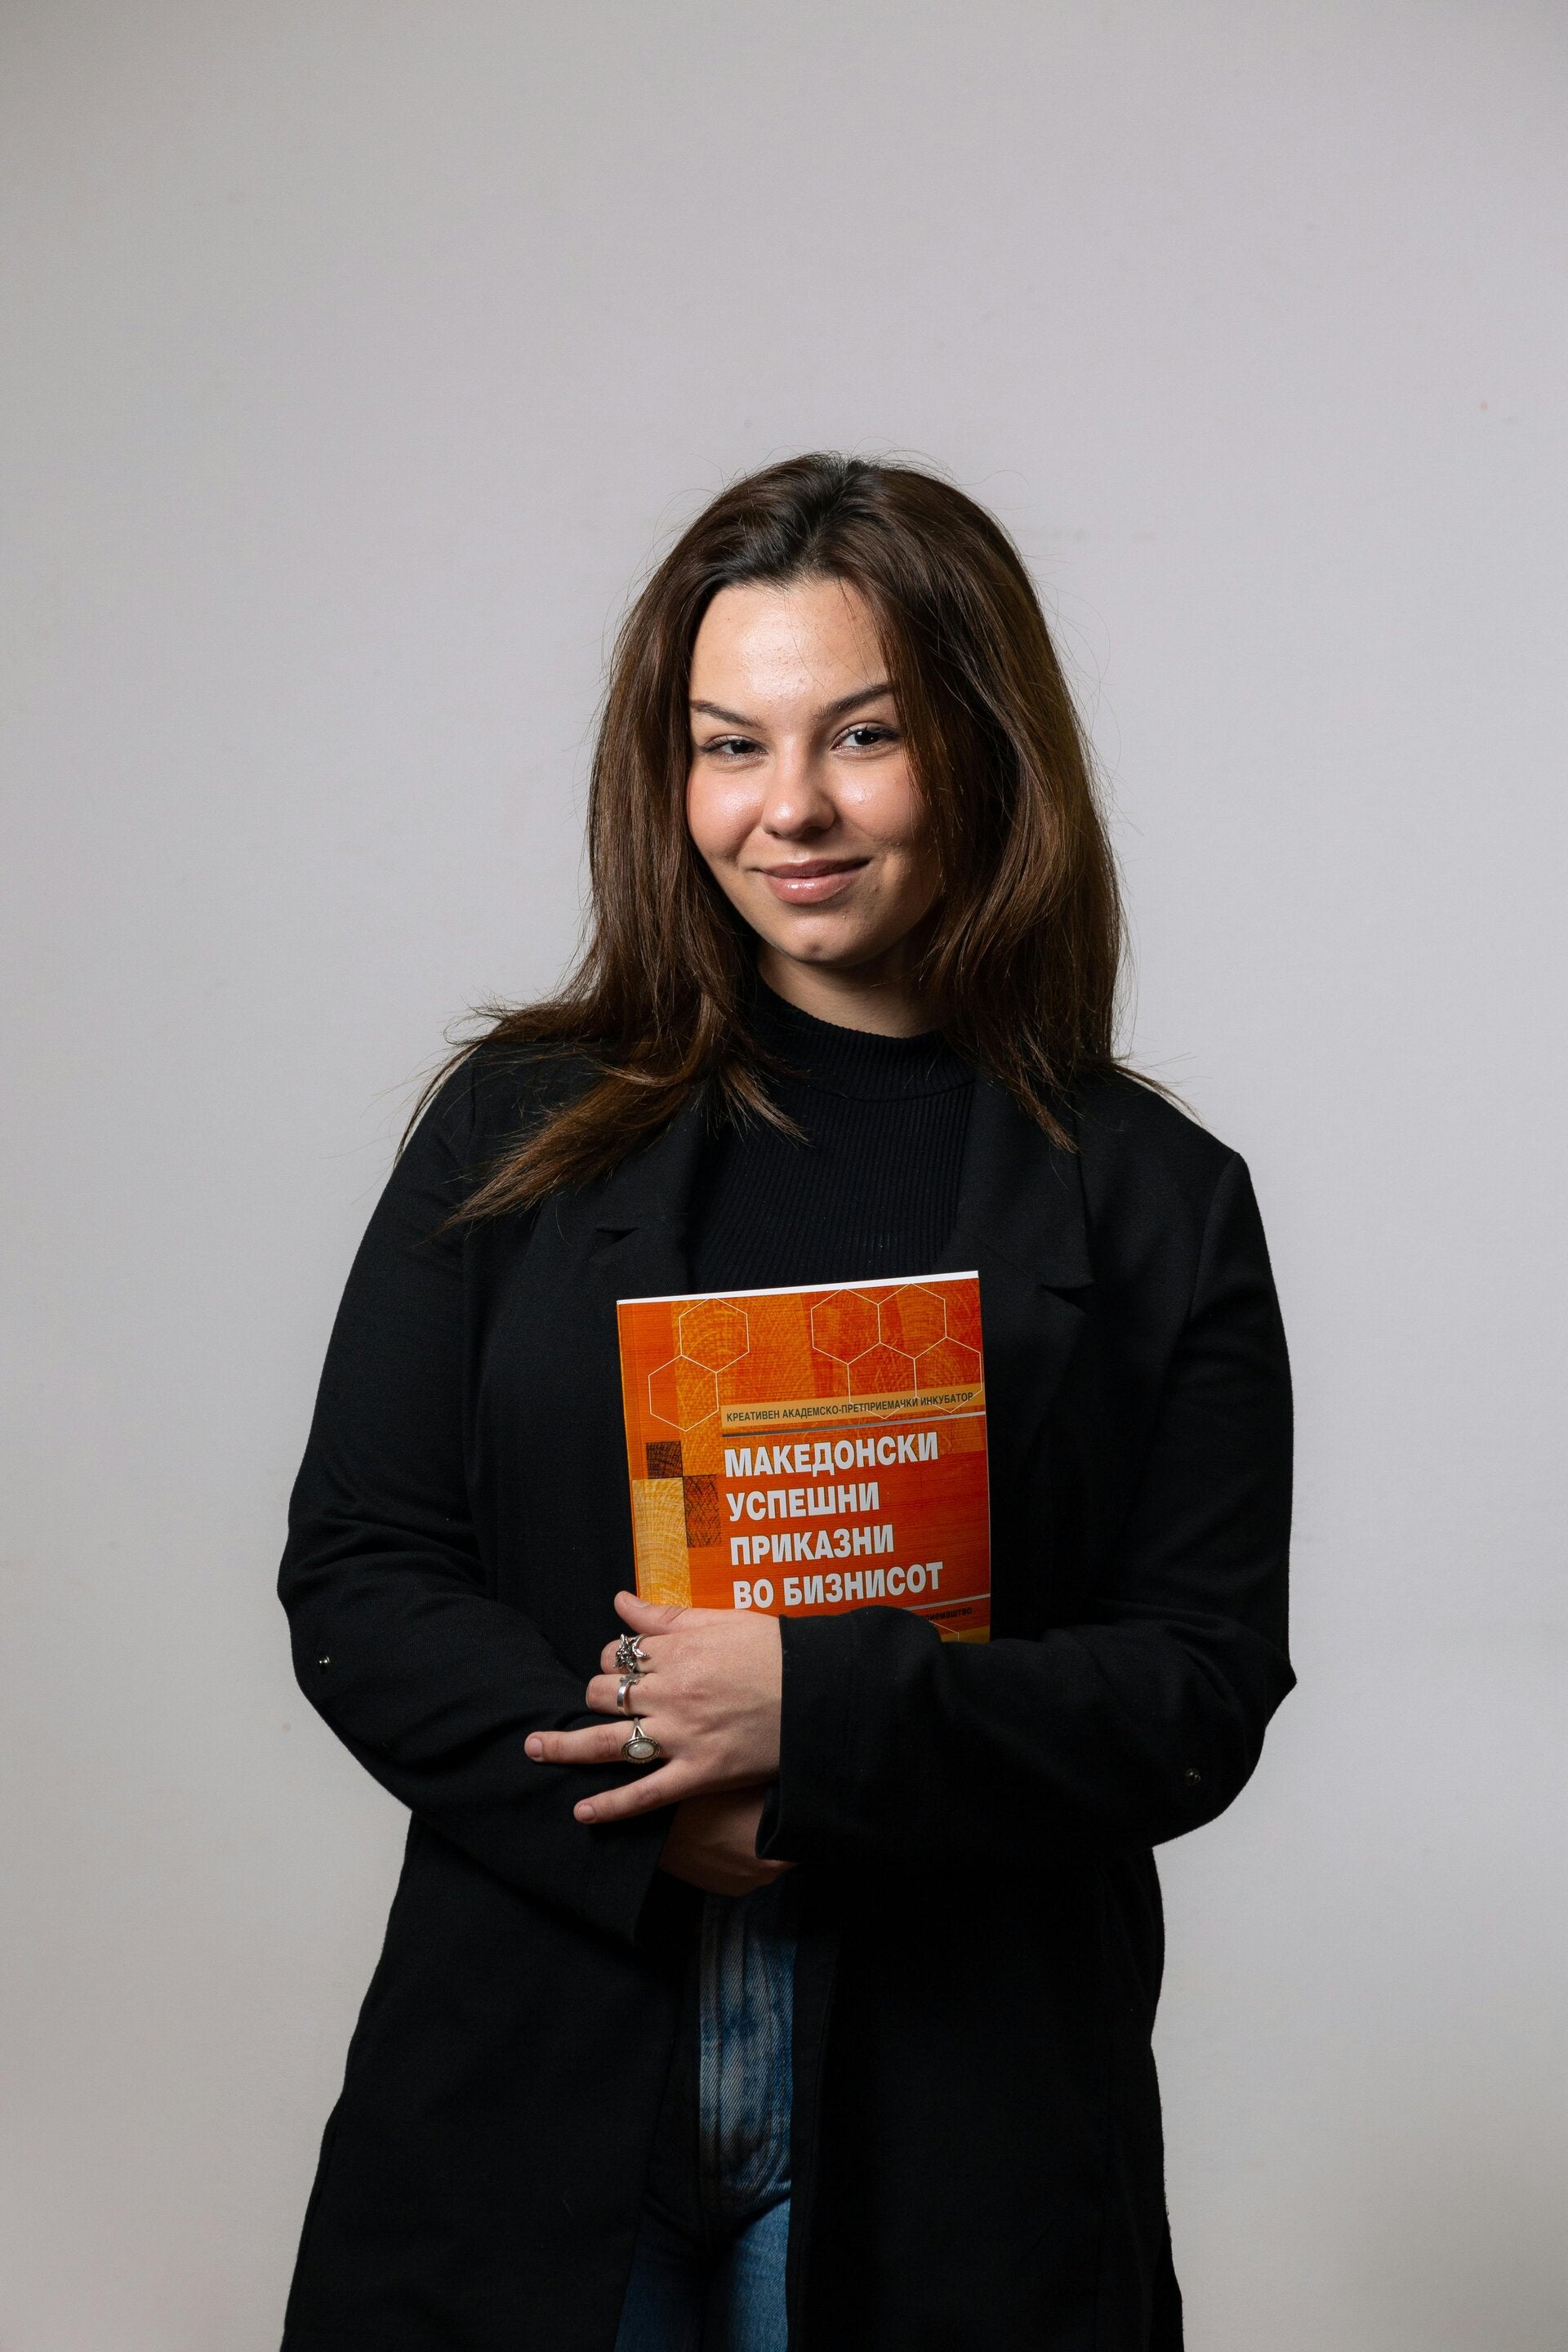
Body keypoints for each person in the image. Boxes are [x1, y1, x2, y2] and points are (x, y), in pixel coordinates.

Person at [277, 453, 1294, 2352]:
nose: (791, 807)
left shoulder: (1159, 1199)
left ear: (984, 749)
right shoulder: (515, 1132)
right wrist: (647, 1787)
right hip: (537, 2068)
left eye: (864, 735)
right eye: (729, 746)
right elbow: (361, 1573)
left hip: (960, 2096)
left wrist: (815, 1716)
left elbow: (1198, 1690)